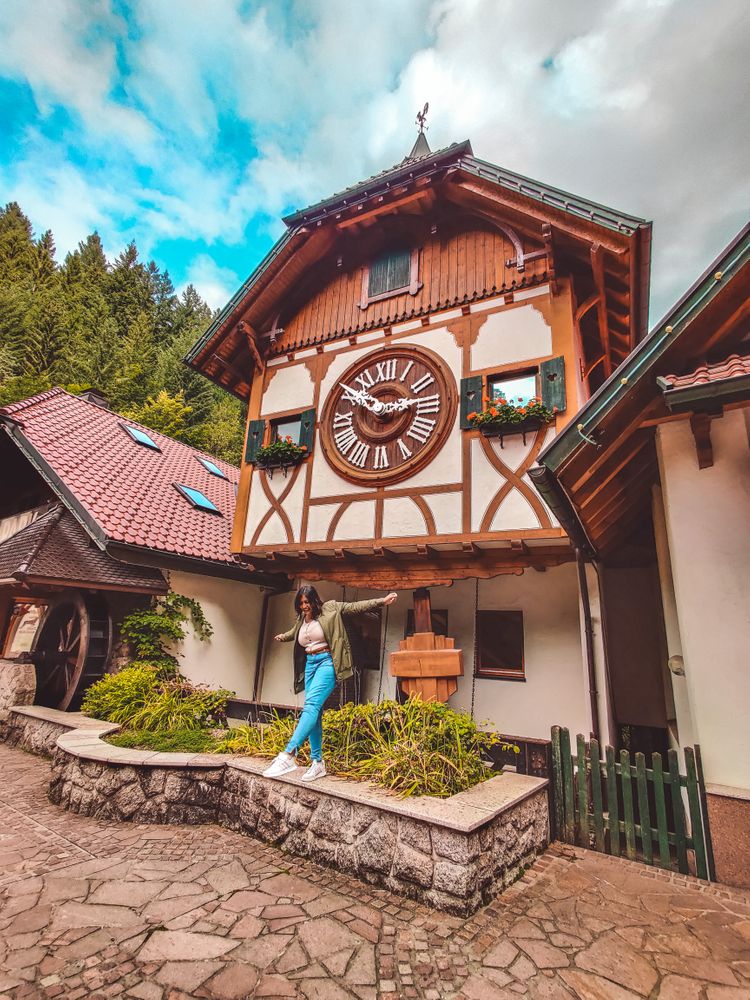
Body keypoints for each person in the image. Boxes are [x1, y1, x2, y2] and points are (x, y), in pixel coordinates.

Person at [263, 586, 398, 781]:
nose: (304, 606)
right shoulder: (302, 618)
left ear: (314, 600)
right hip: (309, 665)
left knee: (311, 706)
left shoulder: (331, 608)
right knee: (315, 712)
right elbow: (295, 632)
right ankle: (318, 763)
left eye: (307, 602)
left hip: (327, 662)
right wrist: (284, 637)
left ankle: (289, 754)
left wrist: (381, 601)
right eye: (300, 603)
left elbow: (355, 606)